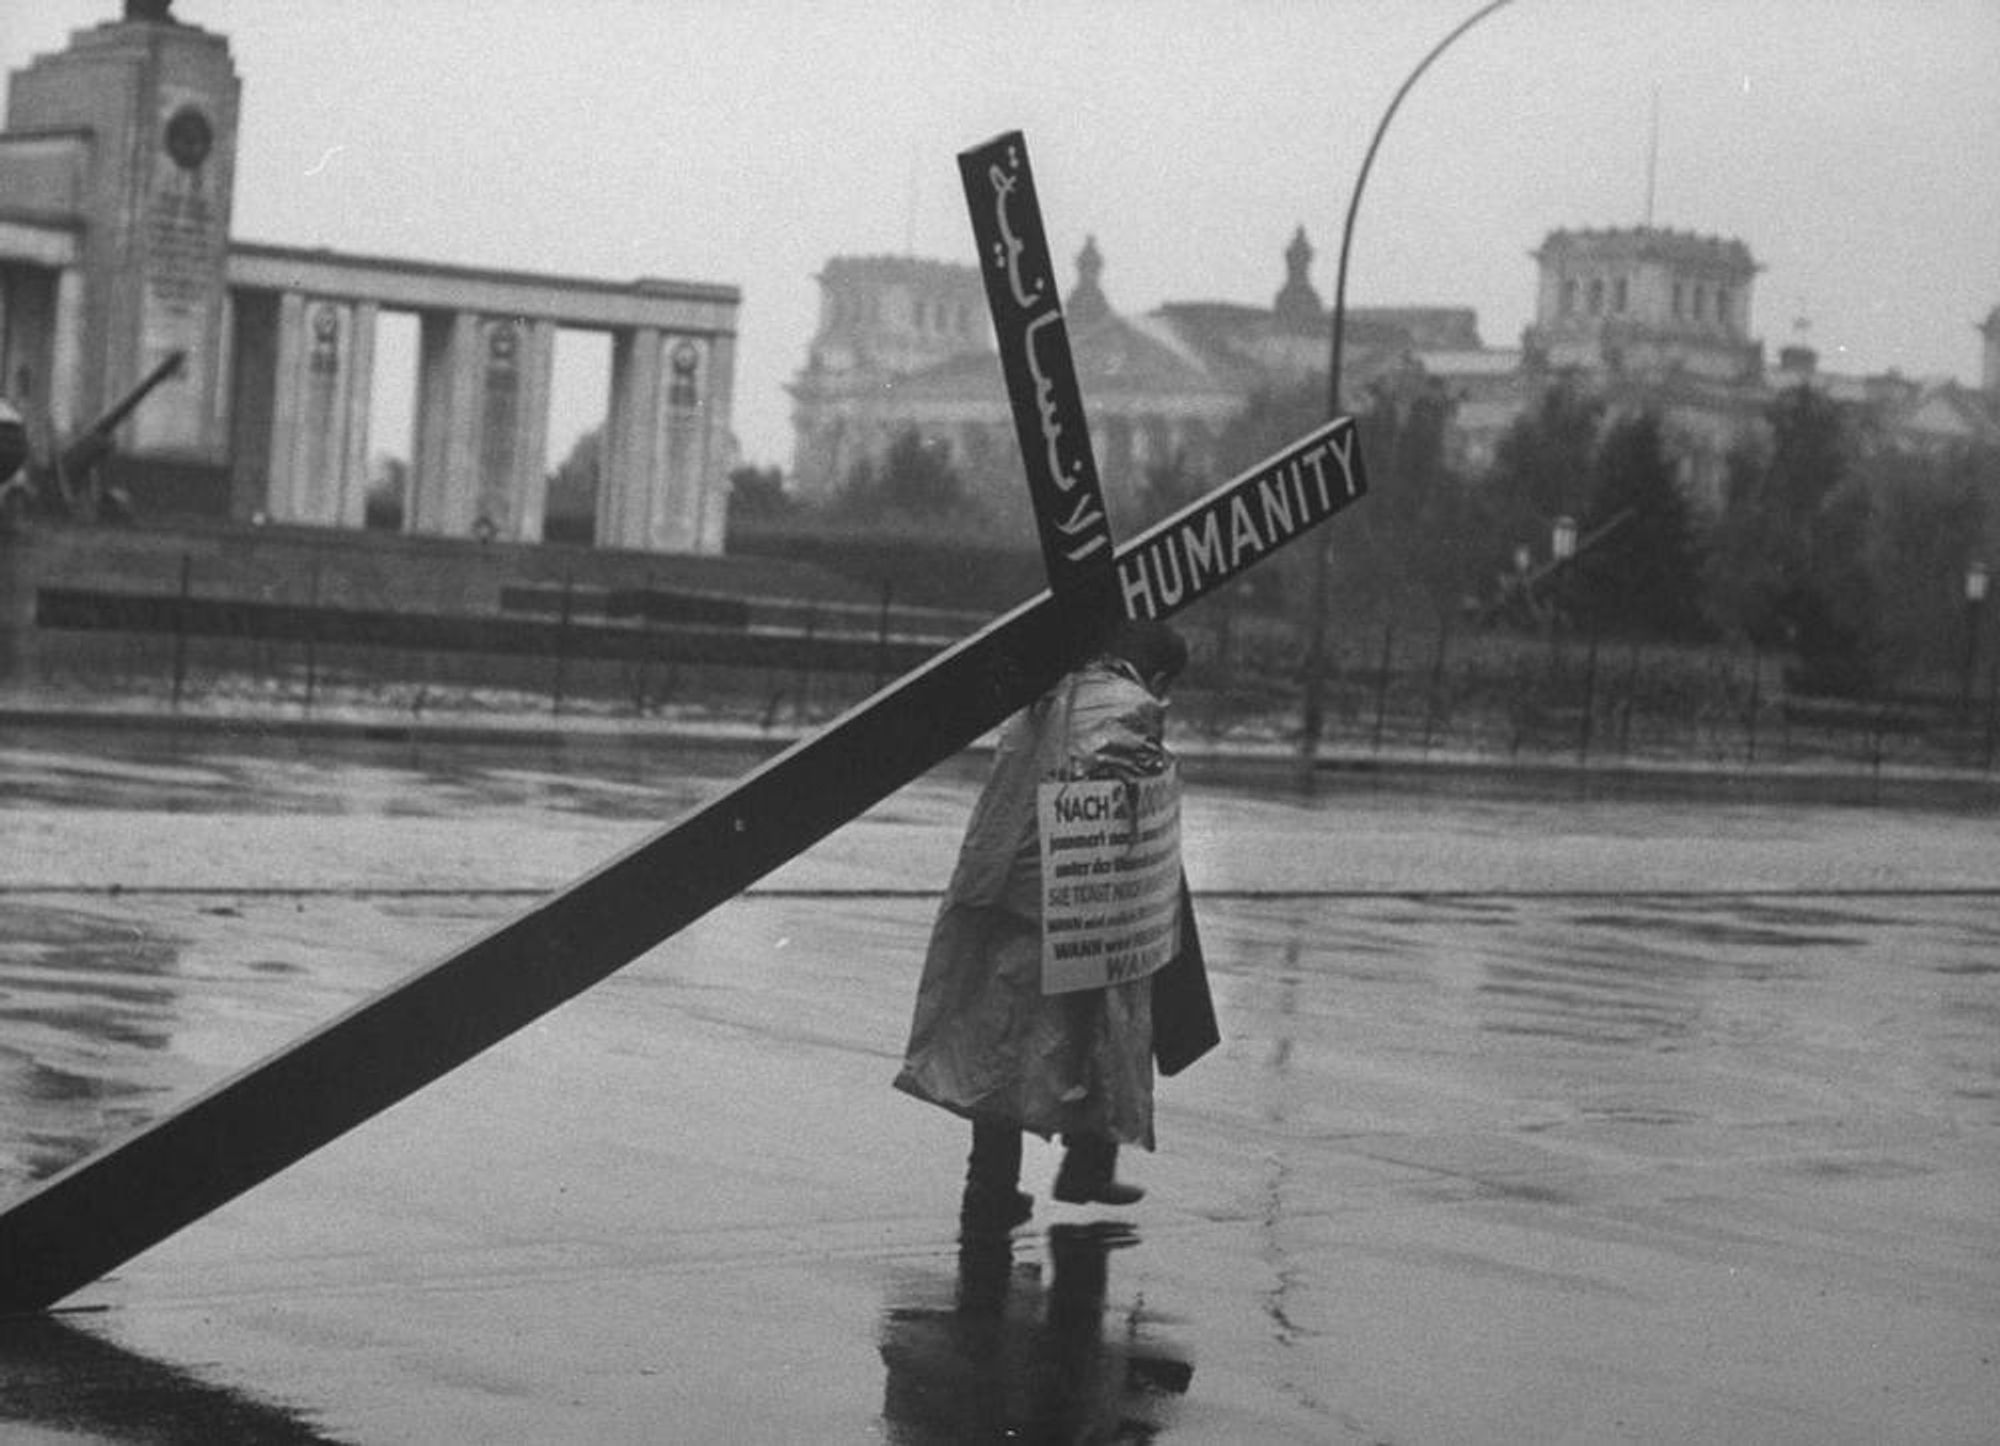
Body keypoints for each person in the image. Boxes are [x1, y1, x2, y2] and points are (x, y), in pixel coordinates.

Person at [893, 618, 1201, 1233]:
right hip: (1073, 897)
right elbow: (1131, 801)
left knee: (997, 1044)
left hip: (1000, 887)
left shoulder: (1044, 694)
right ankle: (1087, 1167)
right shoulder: (1134, 707)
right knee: (1102, 1033)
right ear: (1159, 676)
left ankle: (990, 1187)